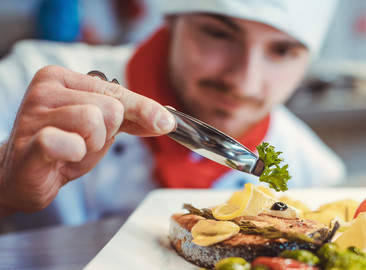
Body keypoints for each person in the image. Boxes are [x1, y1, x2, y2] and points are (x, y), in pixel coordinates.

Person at [0, 0, 346, 231]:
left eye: (283, 51)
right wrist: (5, 186)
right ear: (173, 22)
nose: (244, 82)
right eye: (218, 34)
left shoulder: (313, 174)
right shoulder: (27, 84)